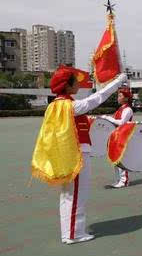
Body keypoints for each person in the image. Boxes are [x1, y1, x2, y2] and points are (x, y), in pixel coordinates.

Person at [31, 66, 126, 245]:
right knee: (77, 195)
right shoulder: (71, 106)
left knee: (68, 196)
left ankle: (69, 232)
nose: (78, 83)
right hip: (77, 155)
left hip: (66, 155)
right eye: (75, 81)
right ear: (67, 86)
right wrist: (117, 82)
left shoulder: (55, 105)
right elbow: (97, 98)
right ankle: (74, 234)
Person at [102, 87, 134, 188]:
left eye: (120, 96)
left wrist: (107, 118)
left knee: (121, 159)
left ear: (126, 98)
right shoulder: (121, 109)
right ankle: (118, 179)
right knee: (115, 158)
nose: (118, 98)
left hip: (123, 136)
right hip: (117, 135)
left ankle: (124, 180)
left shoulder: (128, 109)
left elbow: (121, 122)